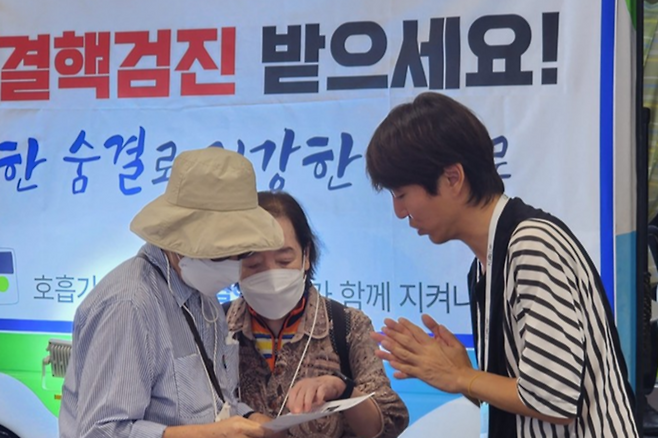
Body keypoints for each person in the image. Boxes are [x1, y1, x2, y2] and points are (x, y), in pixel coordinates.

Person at [365, 92, 639, 437]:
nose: (399, 212)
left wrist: (462, 376)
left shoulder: (531, 245)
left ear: (453, 178)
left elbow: (553, 399)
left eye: (402, 194)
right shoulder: (486, 263)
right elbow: (521, 399)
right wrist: (465, 376)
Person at [59, 147, 285, 438]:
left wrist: (250, 418)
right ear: (178, 237)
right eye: (219, 253)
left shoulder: (202, 295)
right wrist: (206, 435)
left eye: (242, 252)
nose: (232, 265)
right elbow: (101, 431)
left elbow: (215, 399)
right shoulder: (130, 305)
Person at [224, 191, 409, 438]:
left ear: (306, 256)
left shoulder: (347, 326)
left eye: (284, 261)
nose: (271, 275)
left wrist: (343, 389)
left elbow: (389, 422)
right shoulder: (216, 326)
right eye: (254, 265)